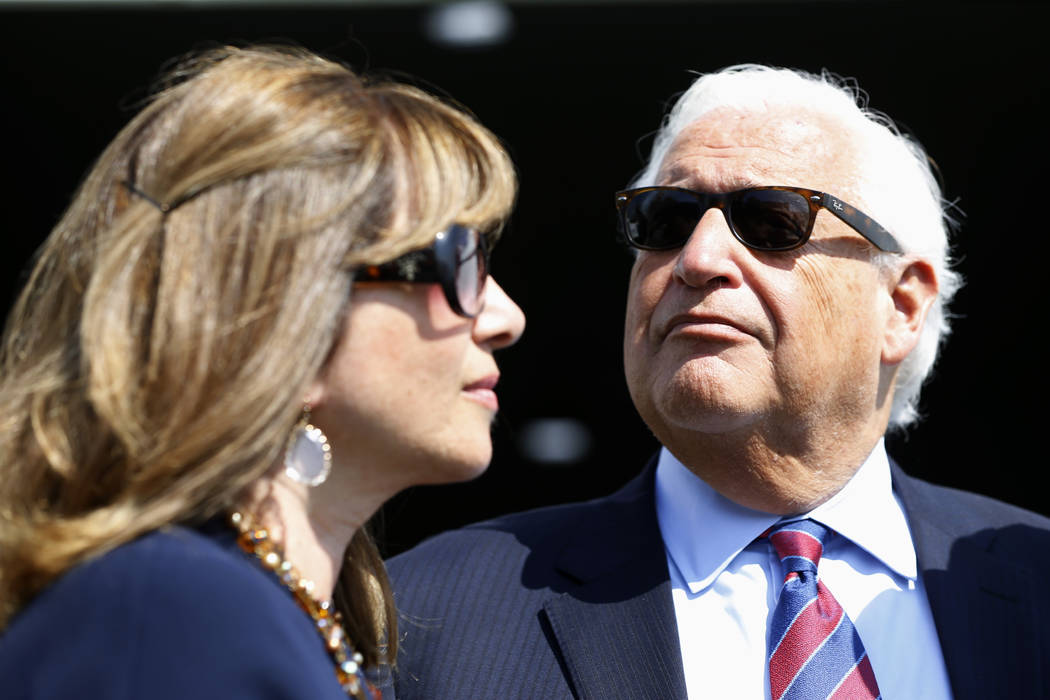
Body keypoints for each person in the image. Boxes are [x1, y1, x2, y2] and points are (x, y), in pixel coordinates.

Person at [386, 64, 1050, 699]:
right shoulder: (425, 616)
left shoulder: (1032, 579)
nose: (698, 260)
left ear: (902, 306)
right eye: (666, 222)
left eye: (772, 222)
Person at [0, 45, 524, 699]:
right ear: (273, 316)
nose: (507, 317)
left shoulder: (252, 615)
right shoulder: (173, 614)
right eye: (460, 262)